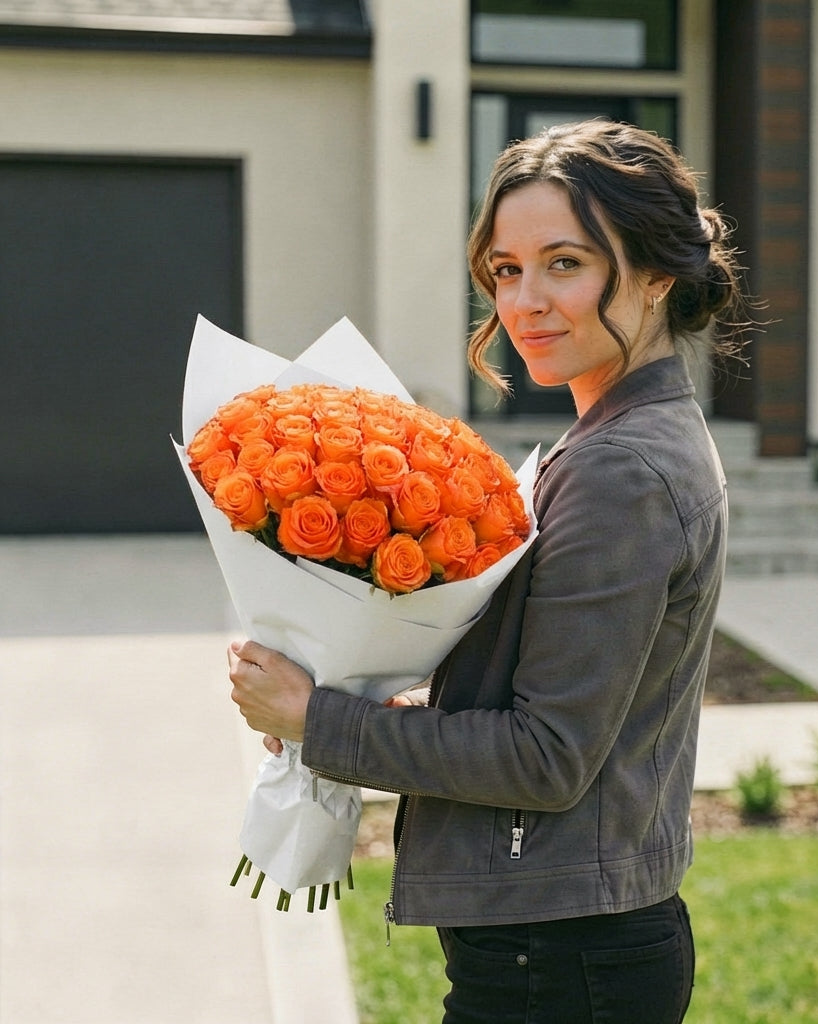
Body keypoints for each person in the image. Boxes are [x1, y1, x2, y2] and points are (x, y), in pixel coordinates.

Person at [229, 118, 747, 1024]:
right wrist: (362, 708)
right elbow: (548, 708)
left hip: (561, 960)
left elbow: (546, 760)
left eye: (565, 263)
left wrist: (321, 722)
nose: (525, 302)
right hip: (559, 944)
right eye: (506, 270)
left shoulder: (624, 468)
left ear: (658, 275)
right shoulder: (617, 439)